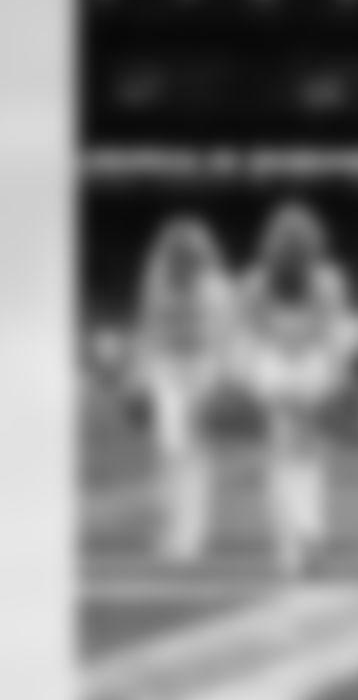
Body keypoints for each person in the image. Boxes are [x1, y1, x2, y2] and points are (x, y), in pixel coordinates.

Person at [239, 201, 358, 575]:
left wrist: (335, 378)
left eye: (301, 240)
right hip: (275, 368)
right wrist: (262, 376)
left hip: (310, 368)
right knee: (288, 454)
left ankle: (303, 537)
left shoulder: (328, 281)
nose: (294, 246)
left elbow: (333, 333)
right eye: (287, 239)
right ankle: (299, 538)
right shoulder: (256, 283)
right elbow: (249, 334)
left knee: (302, 456)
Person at [130, 215, 237, 565]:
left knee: (194, 454)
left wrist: (222, 382)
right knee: (170, 448)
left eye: (191, 257)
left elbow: (225, 339)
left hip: (202, 370)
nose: (185, 262)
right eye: (179, 255)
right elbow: (147, 328)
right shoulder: (156, 279)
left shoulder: (216, 287)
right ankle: (167, 526)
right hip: (167, 369)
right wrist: (139, 375)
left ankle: (189, 538)